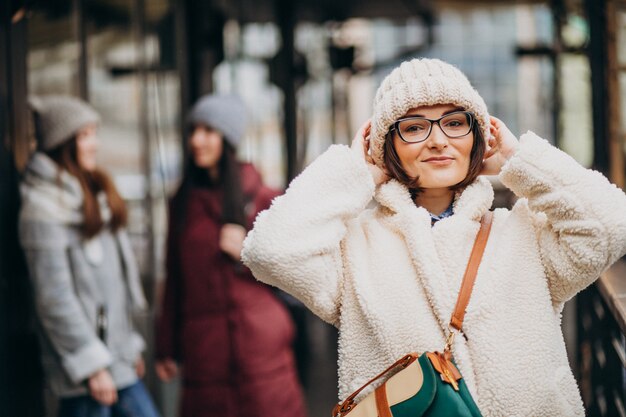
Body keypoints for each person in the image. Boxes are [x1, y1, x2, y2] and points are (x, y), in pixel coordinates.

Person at [241, 58, 626, 416]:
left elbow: (611, 223)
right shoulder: (354, 248)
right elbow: (271, 251)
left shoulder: (524, 233)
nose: (438, 140)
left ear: (478, 136)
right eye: (413, 128)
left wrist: (517, 159)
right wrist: (355, 173)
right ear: (386, 147)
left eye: (455, 123)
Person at [154, 94, 307, 417]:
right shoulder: (182, 203)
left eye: (208, 131)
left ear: (228, 139)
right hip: (205, 358)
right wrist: (165, 346)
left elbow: (298, 274)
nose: (197, 140)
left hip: (263, 355)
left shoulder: (265, 199)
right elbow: (174, 279)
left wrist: (248, 255)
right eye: (193, 131)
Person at [19, 95, 161, 417]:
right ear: (62, 143)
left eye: (94, 133)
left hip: (118, 360)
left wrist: (128, 347)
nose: (94, 143)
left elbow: (114, 286)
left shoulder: (94, 194)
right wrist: (92, 366)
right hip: (87, 374)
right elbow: (54, 299)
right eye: (84, 135)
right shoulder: (42, 207)